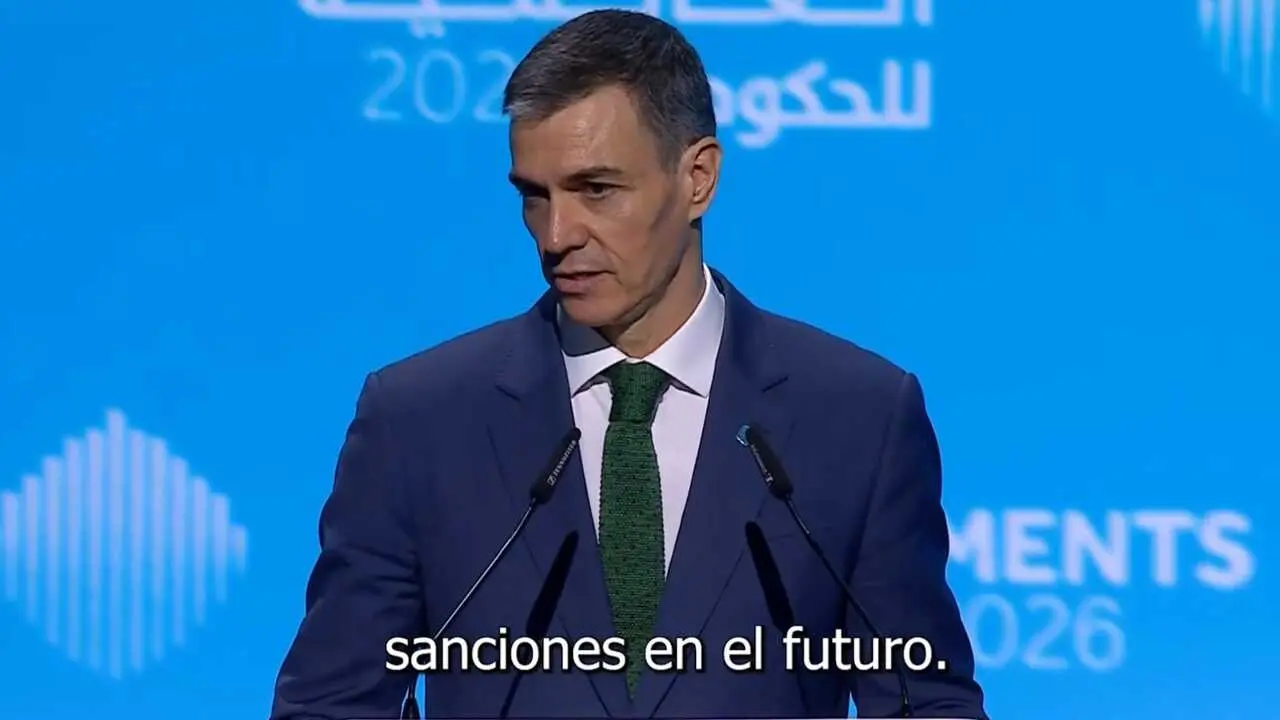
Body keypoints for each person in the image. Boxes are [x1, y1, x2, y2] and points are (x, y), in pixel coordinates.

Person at [271, 9, 986, 719]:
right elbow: (331, 705)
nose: (556, 236)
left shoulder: (857, 417)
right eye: (534, 197)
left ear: (698, 178)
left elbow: (922, 704)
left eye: (596, 190)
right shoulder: (419, 421)